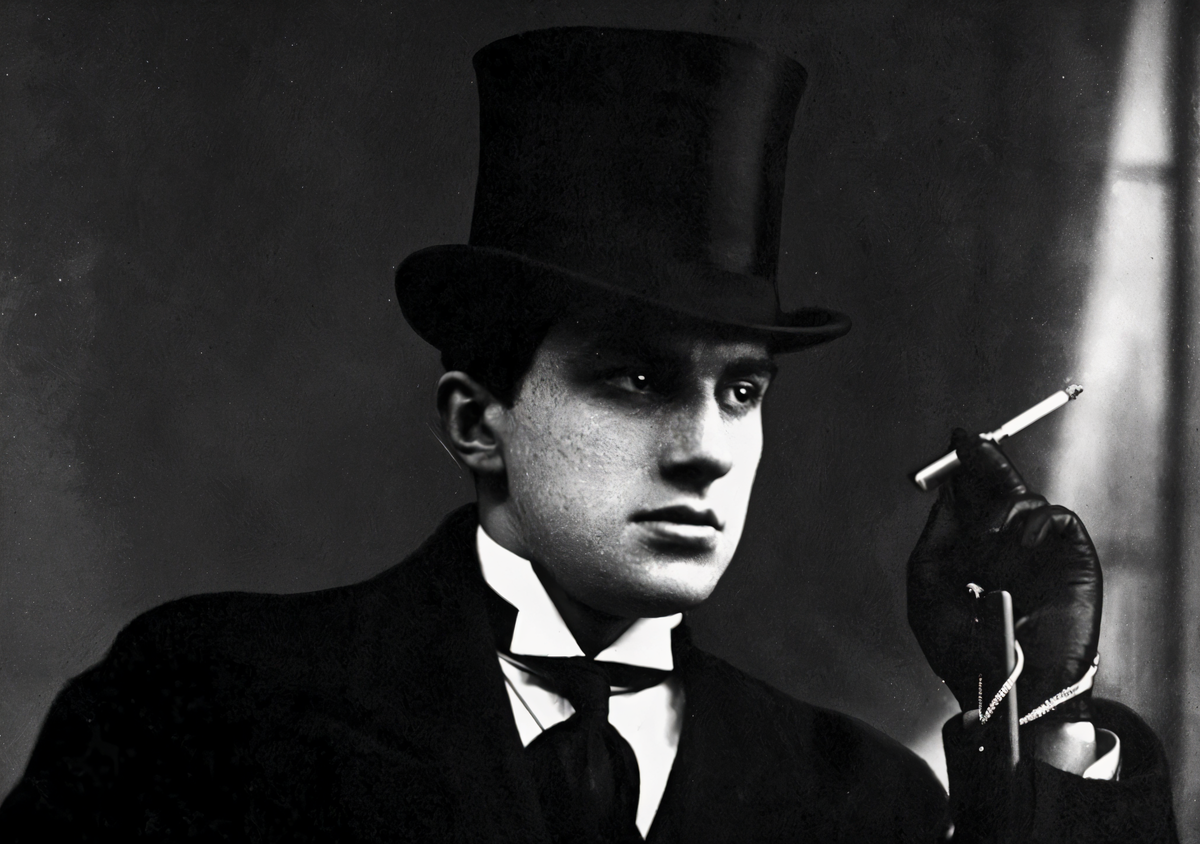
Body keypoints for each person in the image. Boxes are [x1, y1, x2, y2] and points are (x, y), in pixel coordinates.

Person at [0, 26, 1179, 843]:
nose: (705, 446)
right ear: (477, 420)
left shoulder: (858, 805)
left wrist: (1040, 697)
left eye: (741, 390)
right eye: (635, 376)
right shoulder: (207, 708)